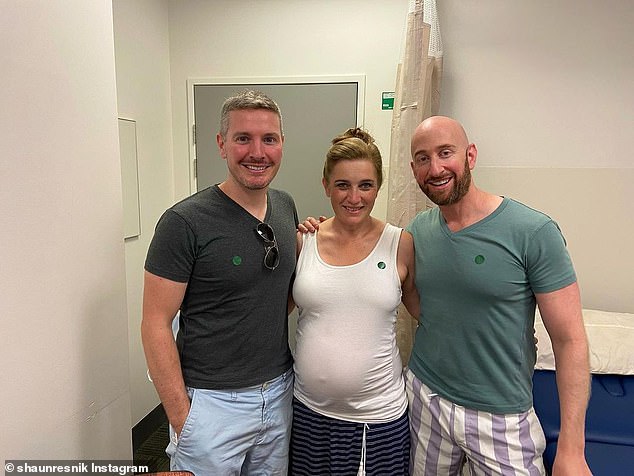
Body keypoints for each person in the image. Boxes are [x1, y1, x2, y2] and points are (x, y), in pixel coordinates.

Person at [406, 116, 591, 475]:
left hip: (501, 416)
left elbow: (570, 340)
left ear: (470, 156)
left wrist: (572, 448)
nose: (436, 168)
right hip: (425, 400)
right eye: (423, 158)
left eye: (446, 153)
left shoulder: (533, 232)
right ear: (414, 170)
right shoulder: (417, 232)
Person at [141, 89, 298, 475]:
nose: (257, 152)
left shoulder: (285, 207)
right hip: (210, 405)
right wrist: (183, 418)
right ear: (221, 144)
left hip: (278, 393)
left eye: (269, 139)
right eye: (243, 138)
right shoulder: (184, 223)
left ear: (282, 143)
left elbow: (274, 296)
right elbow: (155, 324)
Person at [290, 128, 419, 476]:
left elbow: (427, 314)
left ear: (378, 187)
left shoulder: (400, 244)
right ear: (326, 186)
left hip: (377, 420)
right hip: (309, 413)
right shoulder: (303, 242)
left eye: (365, 185)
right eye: (342, 185)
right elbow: (271, 310)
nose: (354, 197)